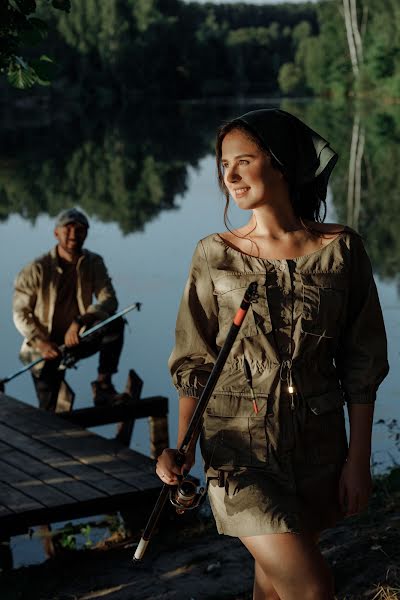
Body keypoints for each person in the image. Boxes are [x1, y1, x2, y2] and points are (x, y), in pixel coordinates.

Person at [156, 109, 389, 599]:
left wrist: (358, 458)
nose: (231, 176)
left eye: (245, 160)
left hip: (319, 447)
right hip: (238, 454)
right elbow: (194, 363)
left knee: (275, 587)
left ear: (281, 164)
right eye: (224, 164)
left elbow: (362, 363)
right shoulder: (213, 255)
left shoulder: (341, 250)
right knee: (311, 587)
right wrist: (183, 445)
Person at [13, 207, 126, 412]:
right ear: (57, 233)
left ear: (87, 233)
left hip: (77, 338)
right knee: (48, 410)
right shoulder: (36, 268)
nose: (74, 234)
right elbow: (20, 313)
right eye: (68, 229)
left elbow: (109, 299)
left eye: (80, 229)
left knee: (115, 322)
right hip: (43, 348)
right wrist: (41, 343)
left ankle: (103, 386)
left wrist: (81, 321)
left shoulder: (93, 262)